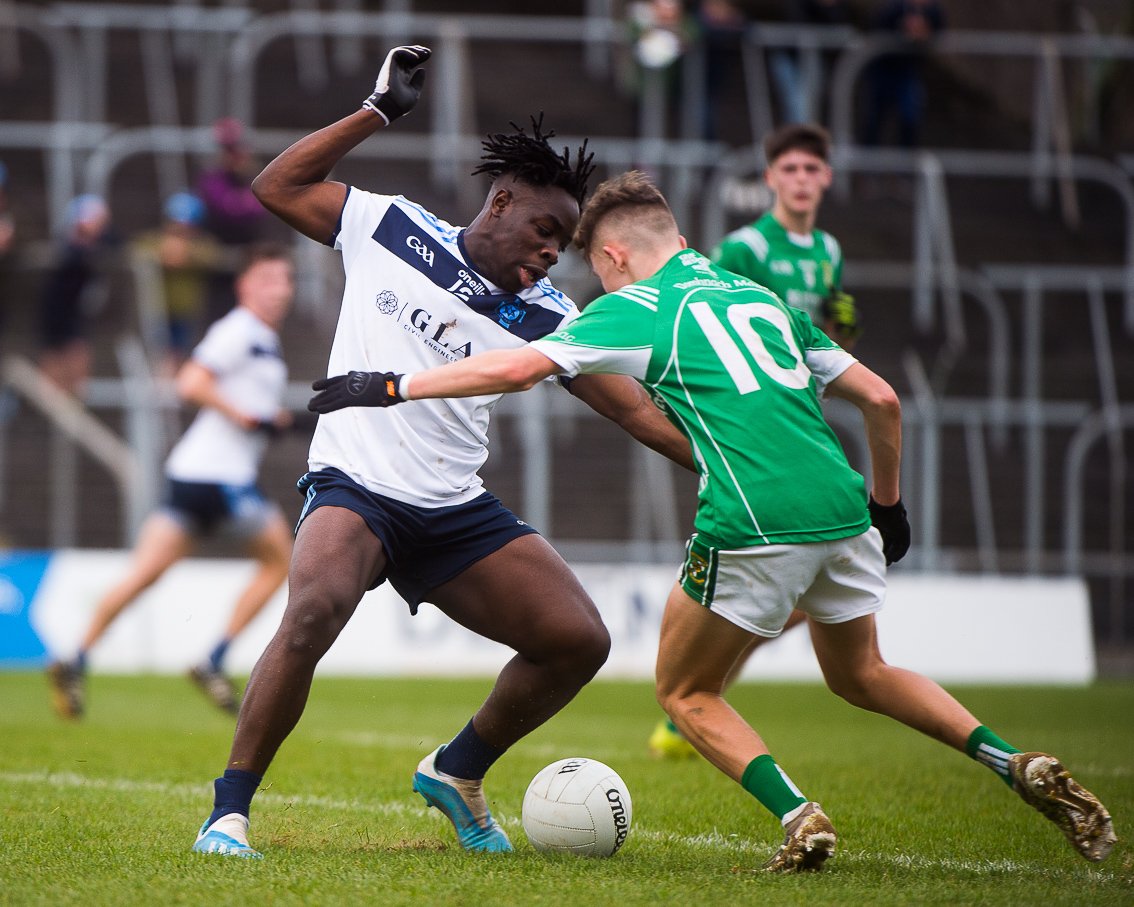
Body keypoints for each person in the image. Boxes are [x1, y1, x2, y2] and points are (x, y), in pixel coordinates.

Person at [312, 169, 1117, 872]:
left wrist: (392, 387)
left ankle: (801, 816)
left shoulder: (637, 307)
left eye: (596, 265)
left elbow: (520, 367)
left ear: (617, 255)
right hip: (843, 506)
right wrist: (889, 503)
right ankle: (1012, 757)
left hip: (755, 515)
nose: (598, 280)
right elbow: (881, 397)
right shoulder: (760, 297)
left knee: (685, 690)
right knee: (862, 672)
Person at [191, 46, 693, 860]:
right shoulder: (388, 224)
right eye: (543, 229)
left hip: (454, 509)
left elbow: (634, 410)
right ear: (499, 201)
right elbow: (274, 188)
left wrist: (721, 463)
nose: (550, 252)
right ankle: (227, 813)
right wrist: (376, 112)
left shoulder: (547, 316)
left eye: (564, 243)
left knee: (579, 640)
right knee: (313, 609)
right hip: (355, 485)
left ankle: (456, 771)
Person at [648, 122, 863, 759]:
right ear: (770, 178)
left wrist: (841, 330)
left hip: (802, 430)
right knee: (776, 586)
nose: (801, 180)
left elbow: (824, 346)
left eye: (811, 170)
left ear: (826, 177)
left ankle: (700, 692)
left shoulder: (828, 249)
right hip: (753, 436)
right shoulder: (744, 250)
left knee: (793, 597)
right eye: (789, 170)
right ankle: (691, 700)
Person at [47, 242, 296, 720]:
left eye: (284, 280)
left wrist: (267, 416)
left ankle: (74, 658)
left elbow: (238, 396)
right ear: (245, 285)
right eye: (267, 280)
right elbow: (191, 382)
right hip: (219, 478)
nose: (278, 290)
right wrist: (245, 415)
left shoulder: (260, 338)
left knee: (146, 572)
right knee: (279, 560)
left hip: (191, 473)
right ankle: (213, 660)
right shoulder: (239, 330)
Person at [131, 191, 222, 376]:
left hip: (185, 313)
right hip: (154, 310)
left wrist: (186, 254)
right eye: (176, 225)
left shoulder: (202, 245)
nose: (181, 231)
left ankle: (173, 397)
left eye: (187, 227)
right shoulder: (153, 241)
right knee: (155, 356)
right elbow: (135, 250)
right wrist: (161, 254)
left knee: (179, 355)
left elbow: (214, 255)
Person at [197, 117, 271, 324]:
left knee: (251, 310)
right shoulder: (212, 179)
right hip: (219, 258)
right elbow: (224, 208)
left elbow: (260, 207)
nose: (235, 156)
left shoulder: (253, 179)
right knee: (220, 316)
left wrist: (242, 203)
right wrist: (242, 204)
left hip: (247, 254)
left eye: (237, 150)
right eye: (228, 150)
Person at [37, 194, 112, 396]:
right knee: (55, 378)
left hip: (76, 321)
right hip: (55, 320)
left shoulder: (102, 247)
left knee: (76, 381)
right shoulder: (67, 251)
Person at [861, 0, 946, 149]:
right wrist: (902, 26)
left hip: (907, 71)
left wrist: (926, 29)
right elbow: (879, 24)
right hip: (883, 68)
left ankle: (905, 163)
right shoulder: (894, 7)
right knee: (874, 117)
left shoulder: (932, 10)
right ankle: (868, 163)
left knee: (910, 115)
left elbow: (939, 28)